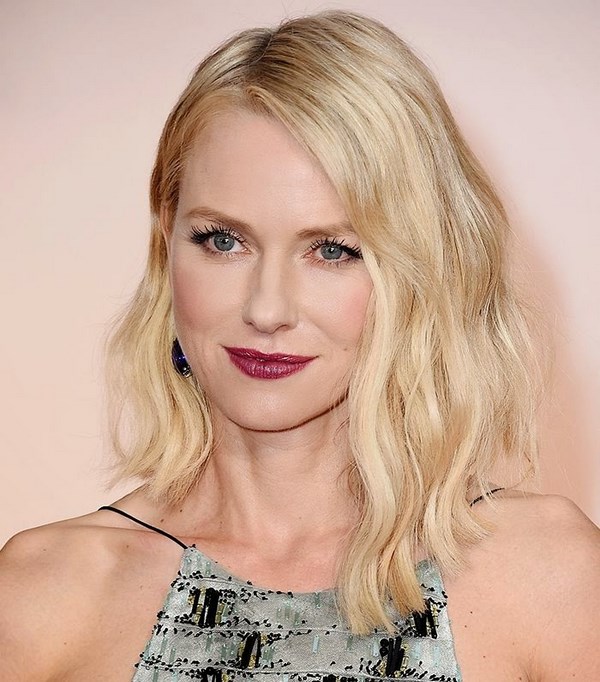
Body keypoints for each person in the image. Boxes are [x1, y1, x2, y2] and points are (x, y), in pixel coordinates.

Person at [1, 10, 598, 681]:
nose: (266, 310)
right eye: (223, 241)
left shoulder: (551, 576)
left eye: (332, 251)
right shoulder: (42, 594)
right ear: (166, 240)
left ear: (422, 270)